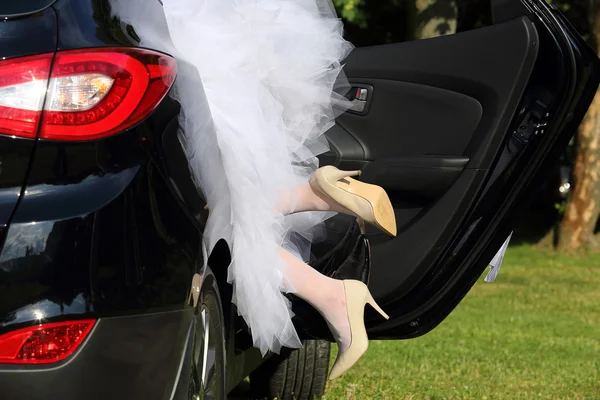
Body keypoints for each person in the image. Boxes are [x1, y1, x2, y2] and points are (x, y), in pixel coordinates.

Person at [112, 0, 397, 380]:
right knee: (217, 211)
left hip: (167, 37)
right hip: (208, 33)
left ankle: (325, 267)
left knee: (209, 216)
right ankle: (314, 206)